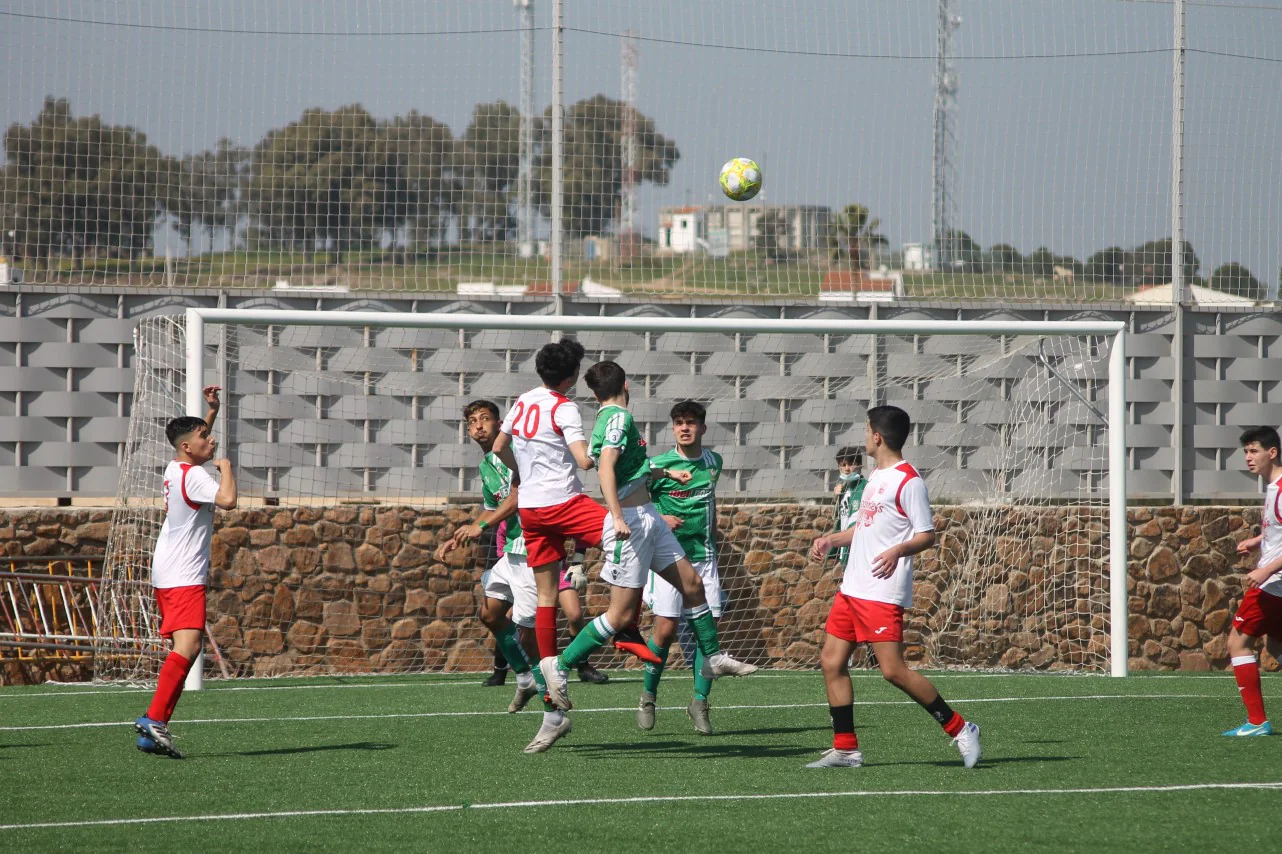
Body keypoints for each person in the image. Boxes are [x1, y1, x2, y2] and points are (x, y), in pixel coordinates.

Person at [539, 362, 757, 721]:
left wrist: (665, 471)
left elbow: (622, 464)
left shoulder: (614, 419)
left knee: (693, 584)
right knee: (621, 615)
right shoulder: (617, 419)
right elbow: (605, 466)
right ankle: (559, 666)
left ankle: (714, 657)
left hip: (649, 519)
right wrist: (618, 516)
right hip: (633, 523)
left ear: (594, 394)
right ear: (626, 385)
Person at [806, 405, 981, 769]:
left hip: (880, 592)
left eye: (867, 430)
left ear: (877, 437)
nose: (864, 436)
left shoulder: (908, 481)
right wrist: (832, 540)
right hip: (852, 588)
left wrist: (899, 549)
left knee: (893, 671)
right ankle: (846, 749)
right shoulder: (875, 477)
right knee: (831, 661)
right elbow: (865, 529)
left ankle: (962, 729)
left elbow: (926, 535)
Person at [134, 387, 237, 758]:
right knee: (189, 646)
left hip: (169, 570)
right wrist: (227, 469)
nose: (210, 441)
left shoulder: (178, 465)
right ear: (188, 448)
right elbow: (228, 500)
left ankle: (153, 728)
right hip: (182, 575)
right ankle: (153, 720)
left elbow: (192, 444)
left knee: (187, 649)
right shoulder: (194, 477)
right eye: (204, 437)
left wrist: (211, 413)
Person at [435, 400, 551, 728]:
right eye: (473, 422)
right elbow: (494, 508)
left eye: (485, 419)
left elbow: (519, 496)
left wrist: (480, 527)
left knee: (530, 635)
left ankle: (551, 699)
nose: (479, 426)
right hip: (511, 553)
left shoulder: (513, 450)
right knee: (489, 614)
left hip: (532, 549)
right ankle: (526, 679)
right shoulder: (486, 466)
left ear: (500, 423)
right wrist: (459, 536)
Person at [637, 400, 725, 735]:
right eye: (678, 423)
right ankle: (648, 696)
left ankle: (699, 703)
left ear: (702, 427)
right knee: (664, 630)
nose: (684, 428)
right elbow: (634, 503)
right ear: (672, 428)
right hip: (669, 562)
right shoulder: (657, 466)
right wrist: (660, 518)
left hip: (705, 559)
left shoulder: (714, 462)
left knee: (708, 636)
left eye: (690, 422)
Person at [1219, 426, 1282, 737]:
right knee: (1276, 645)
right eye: (1246, 451)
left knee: (1237, 642)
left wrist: (1266, 569)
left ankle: (1257, 722)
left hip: (1275, 584)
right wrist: (1260, 540)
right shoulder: (1273, 489)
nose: (1248, 457)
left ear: (1272, 453)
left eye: (1254, 451)